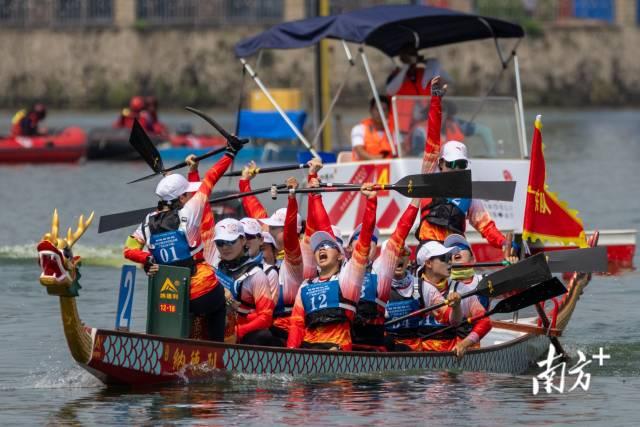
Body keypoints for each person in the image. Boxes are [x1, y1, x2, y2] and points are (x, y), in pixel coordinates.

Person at [122, 138, 243, 342]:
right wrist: (230, 153)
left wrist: (147, 260)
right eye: (187, 193)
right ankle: (215, 350)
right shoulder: (189, 212)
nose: (190, 196)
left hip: (167, 296)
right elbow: (211, 178)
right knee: (220, 304)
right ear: (180, 198)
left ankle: (177, 343)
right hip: (200, 291)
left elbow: (128, 250)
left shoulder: (147, 221)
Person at [287, 184, 378, 351]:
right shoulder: (305, 286)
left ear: (340, 256)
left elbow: (365, 240)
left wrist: (371, 202)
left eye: (328, 245)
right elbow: (296, 324)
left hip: (337, 350)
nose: (321, 248)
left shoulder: (348, 280)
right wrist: (291, 352)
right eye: (317, 247)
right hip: (309, 350)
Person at [350, 199, 421, 350]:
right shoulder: (342, 271)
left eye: (372, 241)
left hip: (375, 345)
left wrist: (416, 200)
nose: (366, 243)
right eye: (361, 239)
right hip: (346, 344)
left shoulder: (380, 271)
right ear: (349, 248)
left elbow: (401, 231)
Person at [214, 218, 278, 346]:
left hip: (242, 339)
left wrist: (238, 332)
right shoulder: (214, 268)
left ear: (243, 240)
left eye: (231, 241)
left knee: (264, 335)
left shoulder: (257, 275)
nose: (225, 247)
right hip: (215, 332)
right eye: (220, 243)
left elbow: (266, 317)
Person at [386, 44, 450, 135]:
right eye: (408, 56)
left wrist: (426, 62)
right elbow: (390, 90)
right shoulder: (395, 76)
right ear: (402, 59)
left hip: (421, 125)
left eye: (413, 55)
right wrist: (406, 66)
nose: (411, 59)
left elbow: (448, 80)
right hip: (400, 127)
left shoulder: (424, 74)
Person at [413, 241, 464, 353]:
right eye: (444, 258)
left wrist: (456, 307)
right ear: (428, 263)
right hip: (417, 353)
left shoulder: (460, 288)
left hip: (448, 355)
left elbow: (456, 322)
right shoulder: (411, 288)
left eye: (450, 258)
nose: (450, 262)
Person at [350, 97, 394, 161]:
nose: (381, 112)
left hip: (389, 165)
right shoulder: (358, 129)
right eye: (377, 109)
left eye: (384, 110)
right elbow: (359, 151)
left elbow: (402, 151)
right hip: (365, 166)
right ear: (371, 111)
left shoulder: (394, 131)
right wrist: (378, 160)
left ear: (388, 112)